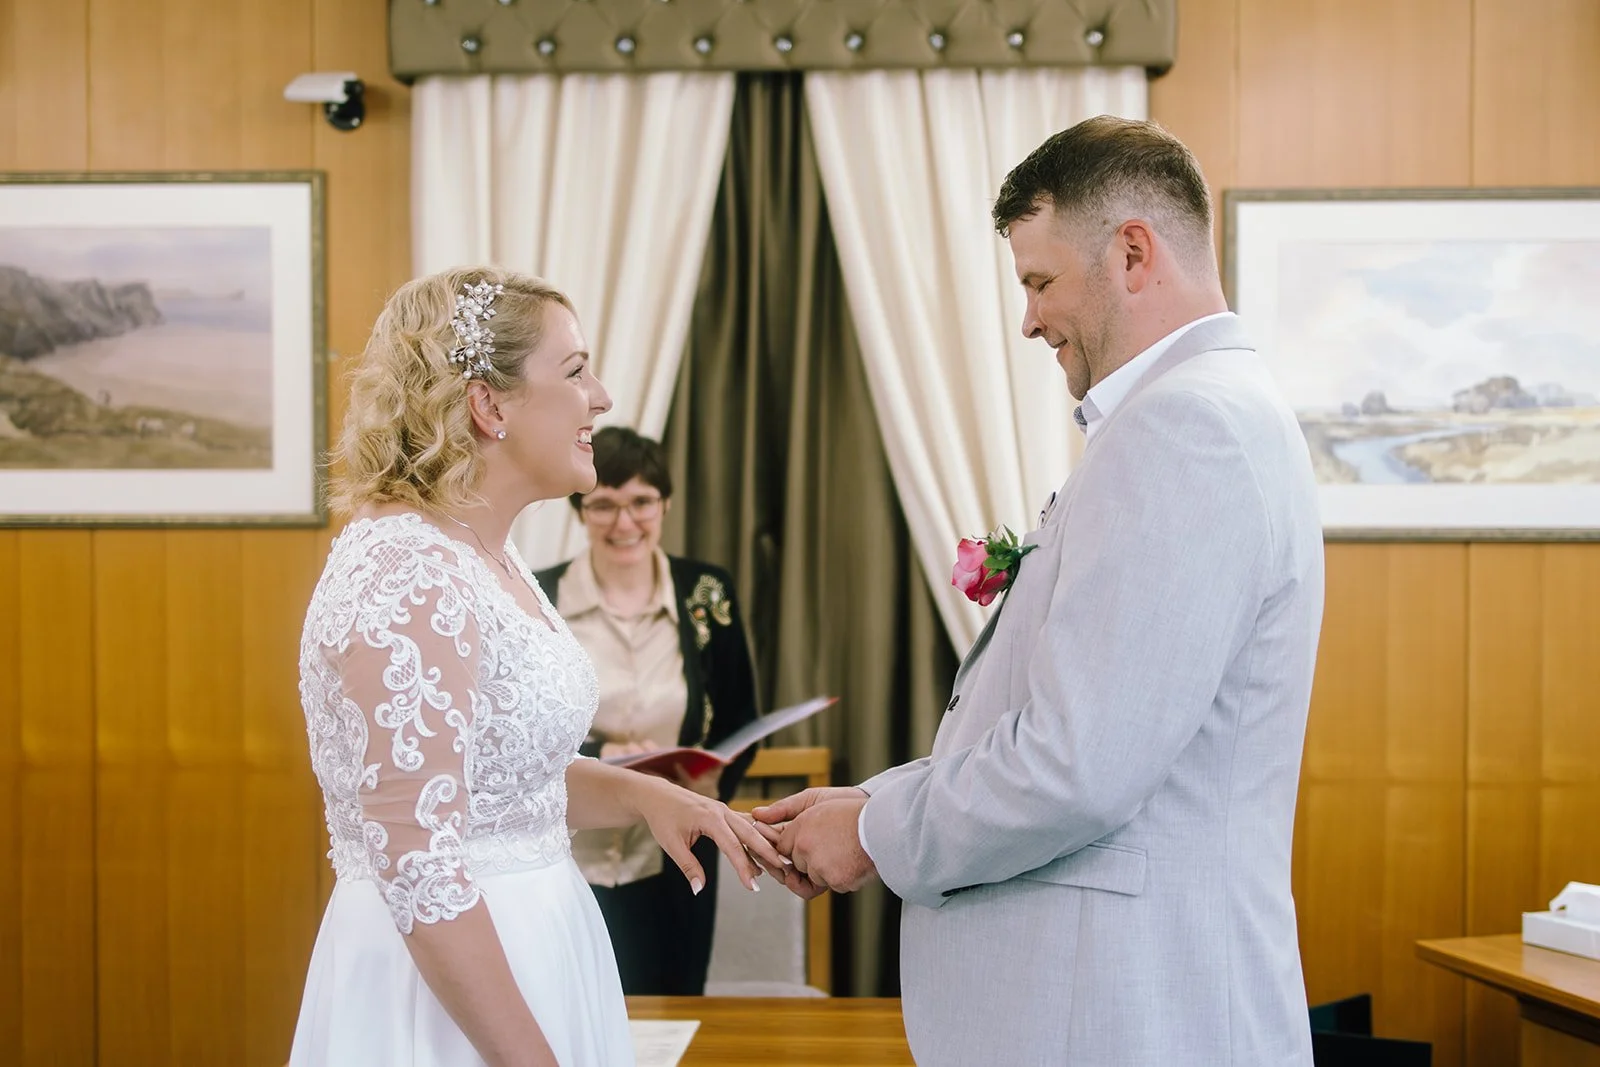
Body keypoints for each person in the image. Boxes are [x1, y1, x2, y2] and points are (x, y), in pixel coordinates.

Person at [755, 116, 1326, 1065]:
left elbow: (1076, 767)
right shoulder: (1196, 414)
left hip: (1121, 1017)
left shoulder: (1186, 429)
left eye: (1038, 280)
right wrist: (881, 796)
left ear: (1133, 253)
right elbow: (1085, 728)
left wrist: (877, 829)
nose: (1029, 319)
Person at [289, 267, 782, 1067]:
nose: (603, 396)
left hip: (540, 945)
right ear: (490, 406)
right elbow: (419, 859)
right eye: (576, 369)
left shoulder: (488, 556)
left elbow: (496, 782)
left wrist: (643, 793)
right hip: (456, 995)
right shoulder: (406, 573)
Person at [533, 426, 760, 996]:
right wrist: (605, 758)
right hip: (568, 860)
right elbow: (522, 730)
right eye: (603, 505)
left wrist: (705, 774)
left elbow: (740, 716)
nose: (624, 522)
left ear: (665, 504)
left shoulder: (707, 591)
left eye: (641, 502)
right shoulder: (539, 598)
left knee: (673, 1014)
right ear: (580, 509)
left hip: (677, 856)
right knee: (572, 1012)